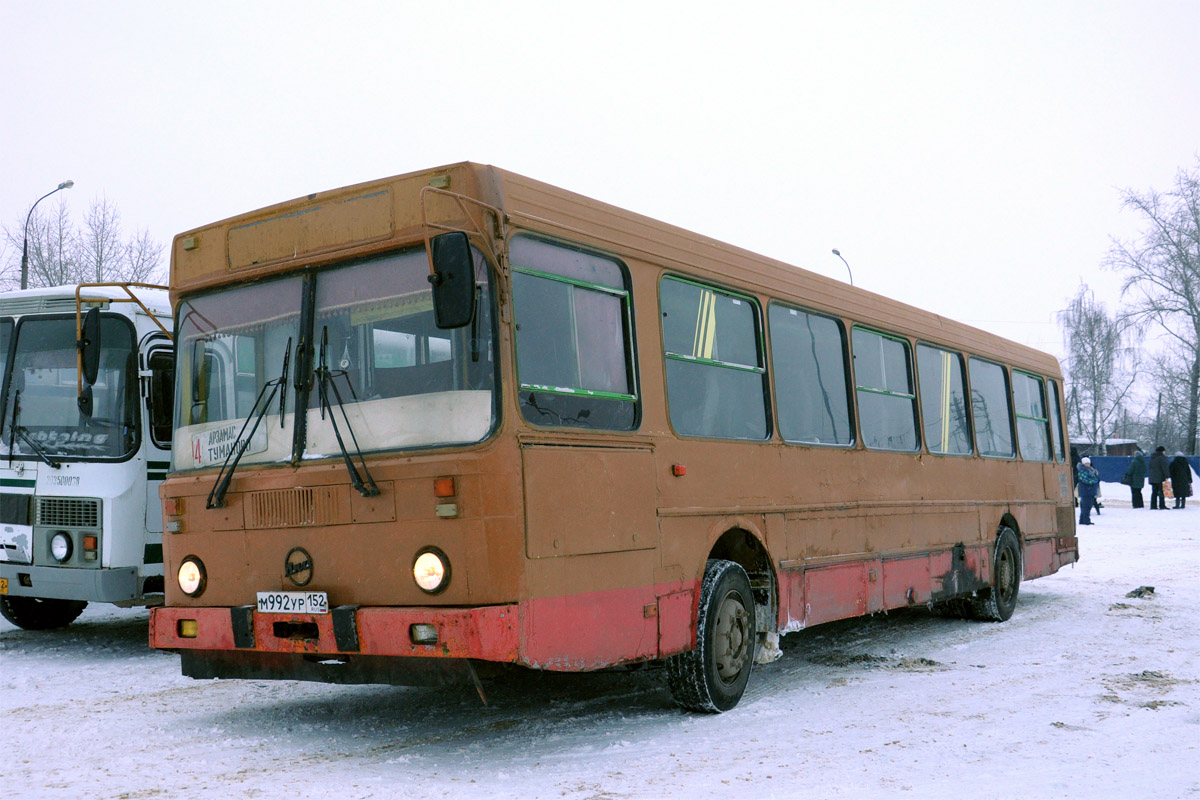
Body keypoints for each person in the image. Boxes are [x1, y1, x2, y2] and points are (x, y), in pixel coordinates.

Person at [1076, 456, 1100, 525]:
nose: (1088, 464)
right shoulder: (1083, 470)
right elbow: (1085, 480)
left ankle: (1082, 520)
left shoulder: (1091, 469)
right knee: (1086, 506)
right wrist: (1094, 481)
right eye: (1086, 463)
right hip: (1086, 490)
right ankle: (1086, 520)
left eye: (1088, 463)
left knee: (1087, 505)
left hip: (1090, 490)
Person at [1148, 446, 1170, 510]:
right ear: (1162, 451)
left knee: (1154, 492)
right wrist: (1167, 475)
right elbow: (1165, 468)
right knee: (1161, 492)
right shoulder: (1162, 458)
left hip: (1153, 478)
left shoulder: (1152, 458)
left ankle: (1153, 505)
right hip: (1160, 478)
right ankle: (1162, 505)